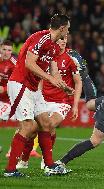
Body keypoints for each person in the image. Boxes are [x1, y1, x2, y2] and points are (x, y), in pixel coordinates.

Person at [4, 14, 73, 177]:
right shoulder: (41, 38)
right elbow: (29, 62)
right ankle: (10, 169)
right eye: (68, 29)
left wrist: (63, 86)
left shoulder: (55, 46)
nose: (68, 33)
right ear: (62, 28)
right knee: (28, 127)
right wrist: (49, 78)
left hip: (33, 88)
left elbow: (54, 71)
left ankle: (49, 166)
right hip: (20, 83)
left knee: (46, 124)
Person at [16, 35, 82, 169]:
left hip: (62, 102)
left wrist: (75, 106)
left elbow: (78, 82)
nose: (62, 42)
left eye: (64, 40)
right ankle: (24, 160)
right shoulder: (47, 57)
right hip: (44, 100)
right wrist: (36, 97)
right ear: (55, 41)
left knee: (50, 124)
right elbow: (40, 79)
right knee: (33, 130)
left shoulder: (71, 59)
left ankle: (46, 161)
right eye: (60, 40)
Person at [0, 40, 16, 155]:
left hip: (8, 100)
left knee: (26, 124)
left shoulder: (14, 64)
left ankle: (14, 151)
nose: (6, 52)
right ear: (0, 49)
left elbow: (17, 83)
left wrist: (4, 89)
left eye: (9, 50)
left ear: (12, 51)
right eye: (4, 49)